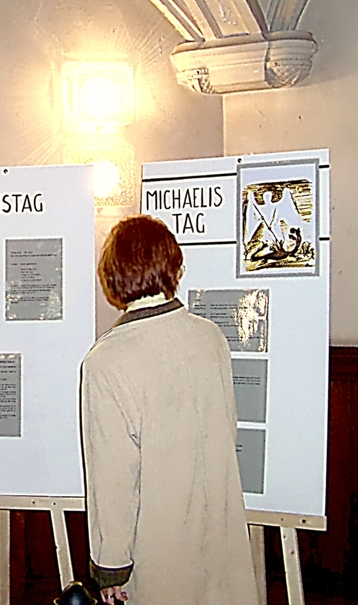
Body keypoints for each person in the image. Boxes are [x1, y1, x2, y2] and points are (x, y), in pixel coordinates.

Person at [80, 215, 258, 605]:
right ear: (173, 265)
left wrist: (111, 567)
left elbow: (113, 476)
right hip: (223, 542)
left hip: (159, 557)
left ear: (112, 274)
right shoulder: (210, 337)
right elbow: (226, 435)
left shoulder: (107, 360)